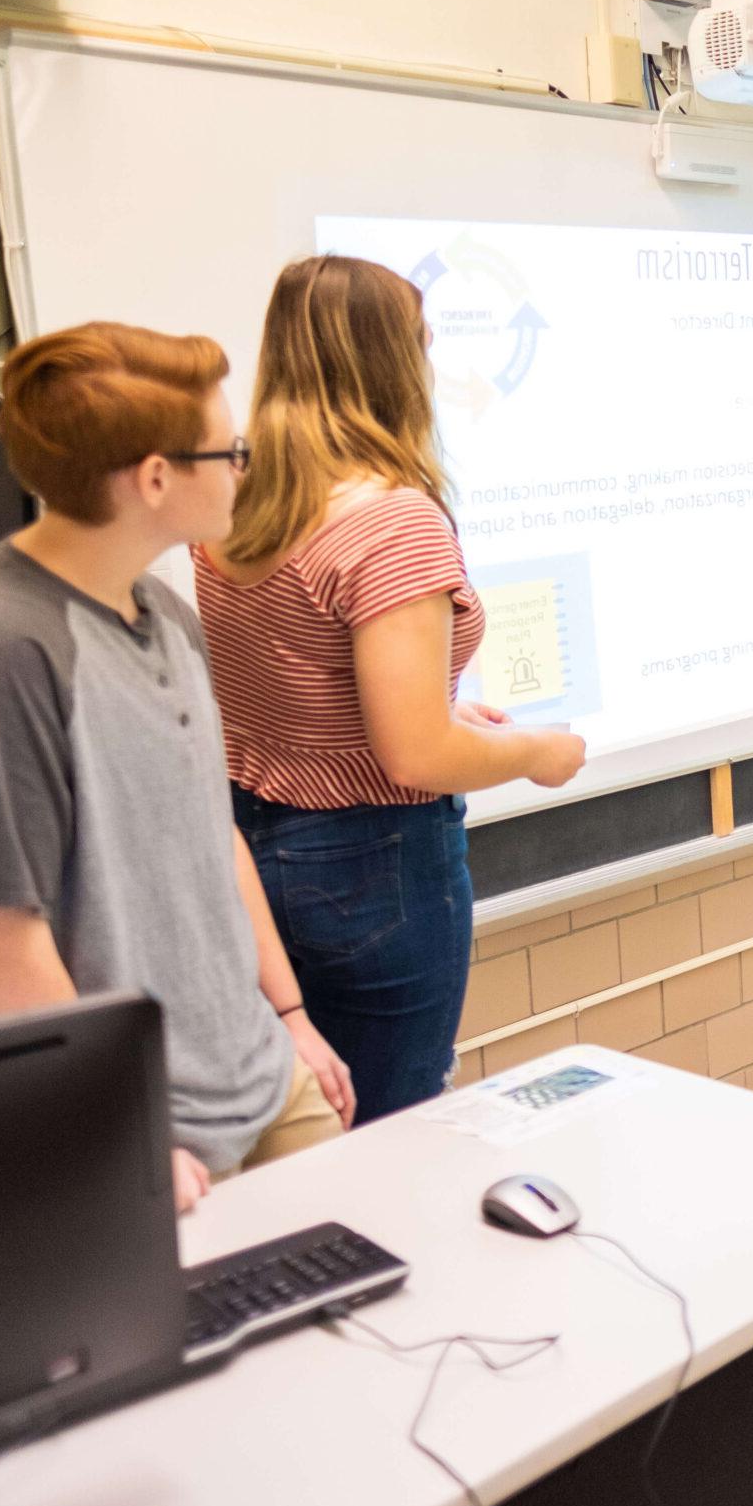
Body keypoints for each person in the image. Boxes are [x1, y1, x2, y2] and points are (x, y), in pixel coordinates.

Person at [0, 322, 354, 1213]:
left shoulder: (167, 614)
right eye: (231, 450)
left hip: (253, 1074)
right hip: (127, 1134)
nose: (243, 470)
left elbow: (214, 838)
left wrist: (290, 1018)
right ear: (158, 478)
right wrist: (113, 1131)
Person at [198, 257, 584, 1124]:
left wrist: (442, 706)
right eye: (420, 337)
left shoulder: (236, 496)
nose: (434, 350)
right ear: (386, 362)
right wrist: (536, 752)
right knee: (393, 1130)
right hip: (376, 870)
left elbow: (304, 675)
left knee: (307, 1127)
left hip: (259, 859)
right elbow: (411, 755)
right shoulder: (392, 518)